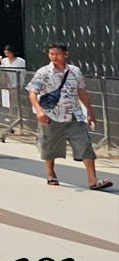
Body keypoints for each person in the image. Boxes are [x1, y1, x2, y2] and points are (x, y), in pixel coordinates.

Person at [26, 44, 112, 191]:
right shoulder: (44, 72)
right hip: (52, 115)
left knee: (85, 144)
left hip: (74, 115)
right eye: (51, 54)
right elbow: (33, 92)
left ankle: (92, 180)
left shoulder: (75, 71)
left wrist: (90, 111)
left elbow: (81, 91)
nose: (54, 57)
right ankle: (51, 173)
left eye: (57, 54)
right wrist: (39, 111)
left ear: (65, 54)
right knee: (49, 146)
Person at [0, 44, 28, 112]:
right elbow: (0, 70)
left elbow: (24, 72)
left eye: (8, 53)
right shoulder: (4, 60)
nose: (7, 55)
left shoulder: (20, 61)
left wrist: (21, 82)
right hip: (7, 82)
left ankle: (12, 111)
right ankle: (11, 111)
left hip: (17, 82)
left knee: (14, 97)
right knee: (8, 97)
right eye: (5, 53)